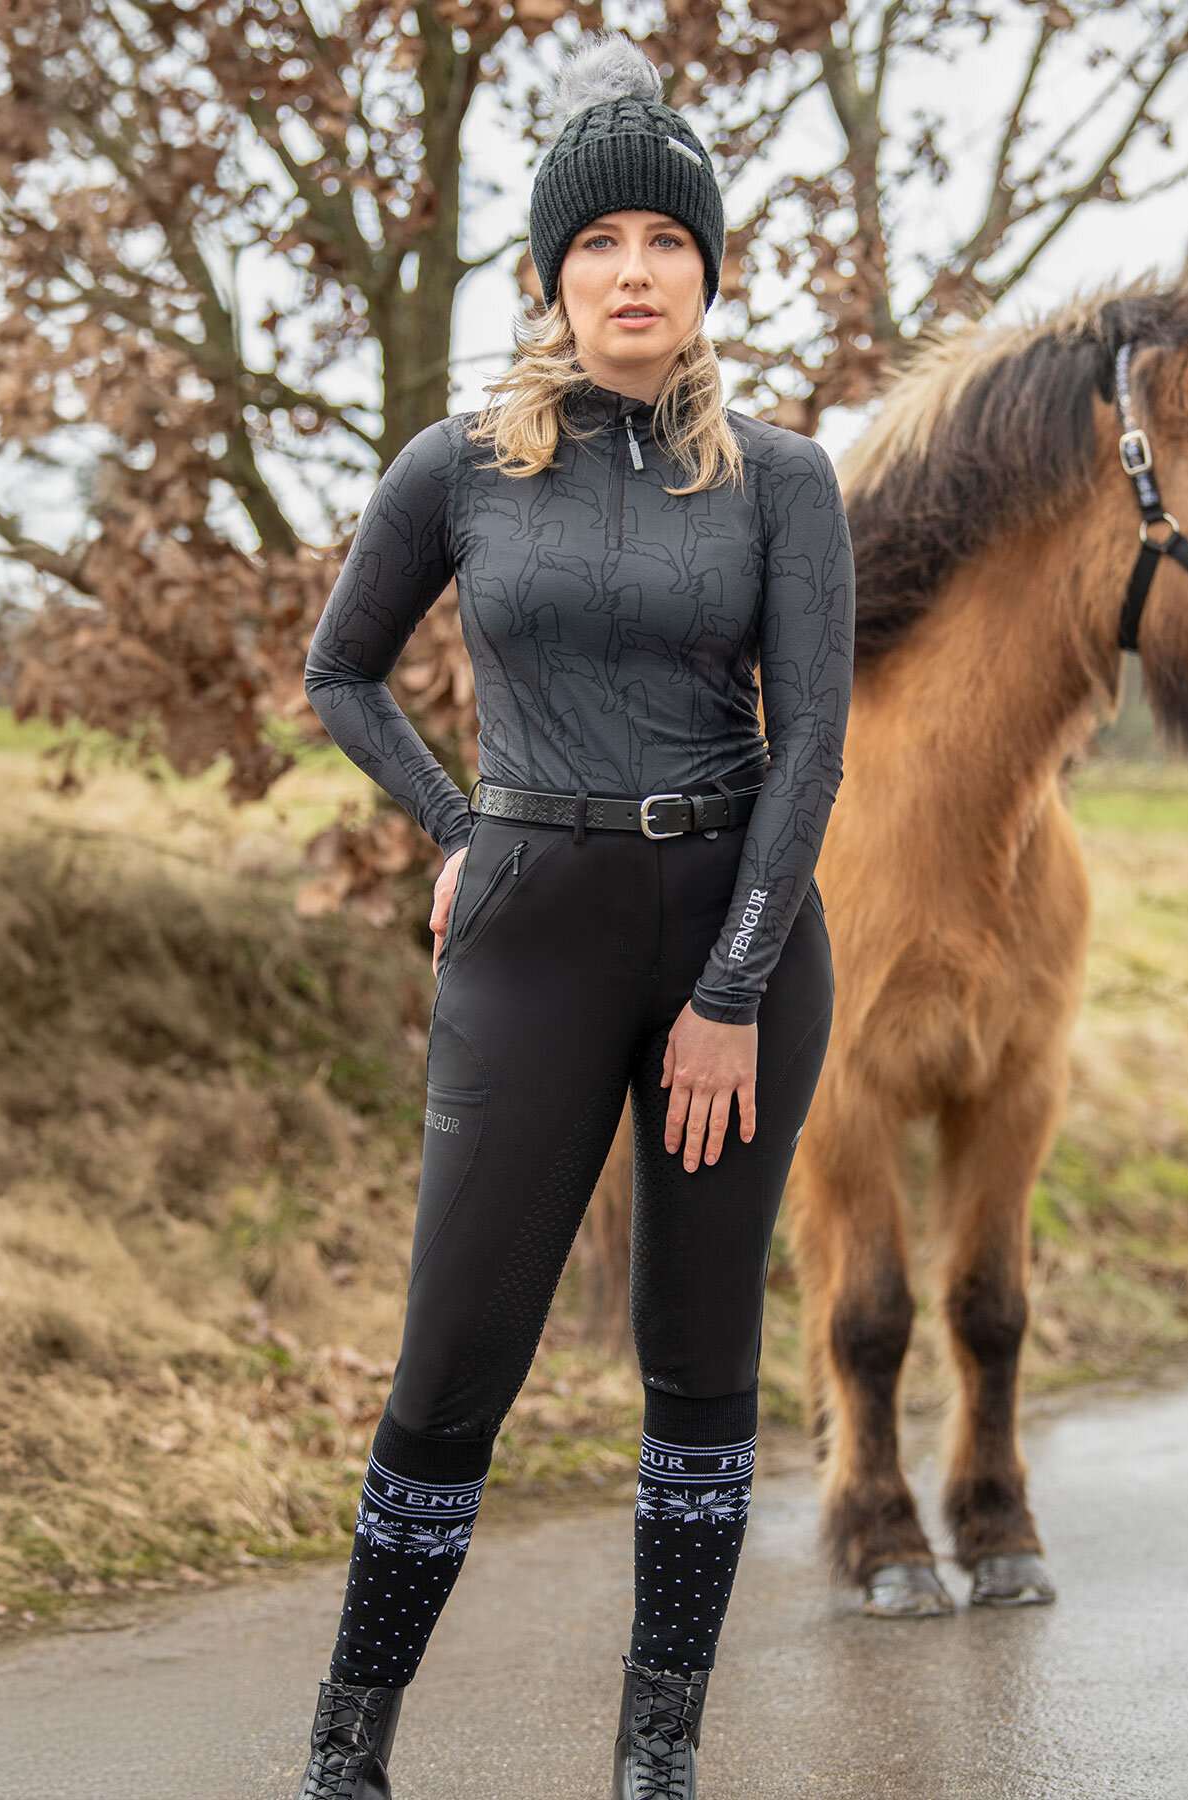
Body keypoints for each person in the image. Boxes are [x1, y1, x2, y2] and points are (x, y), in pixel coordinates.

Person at [291, 28, 854, 1800]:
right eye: (600, 243)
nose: (633, 272)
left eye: (666, 245)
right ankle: (345, 1754)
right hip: (527, 930)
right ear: (552, 274)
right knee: (456, 1356)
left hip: (731, 932)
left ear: (705, 276)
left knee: (700, 1364)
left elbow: (815, 747)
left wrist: (733, 988)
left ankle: (656, 1759)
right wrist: (463, 829)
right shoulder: (458, 463)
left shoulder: (781, 480)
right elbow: (342, 669)